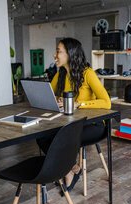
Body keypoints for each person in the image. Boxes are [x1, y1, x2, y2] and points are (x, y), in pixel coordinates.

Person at [37, 37, 111, 191]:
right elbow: (48, 96)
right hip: (70, 124)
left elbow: (106, 102)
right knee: (41, 137)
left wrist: (79, 104)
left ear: (70, 54)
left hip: (93, 125)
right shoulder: (61, 74)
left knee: (62, 138)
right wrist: (57, 99)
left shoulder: (88, 73)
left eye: (58, 51)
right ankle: (71, 168)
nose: (54, 55)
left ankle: (66, 171)